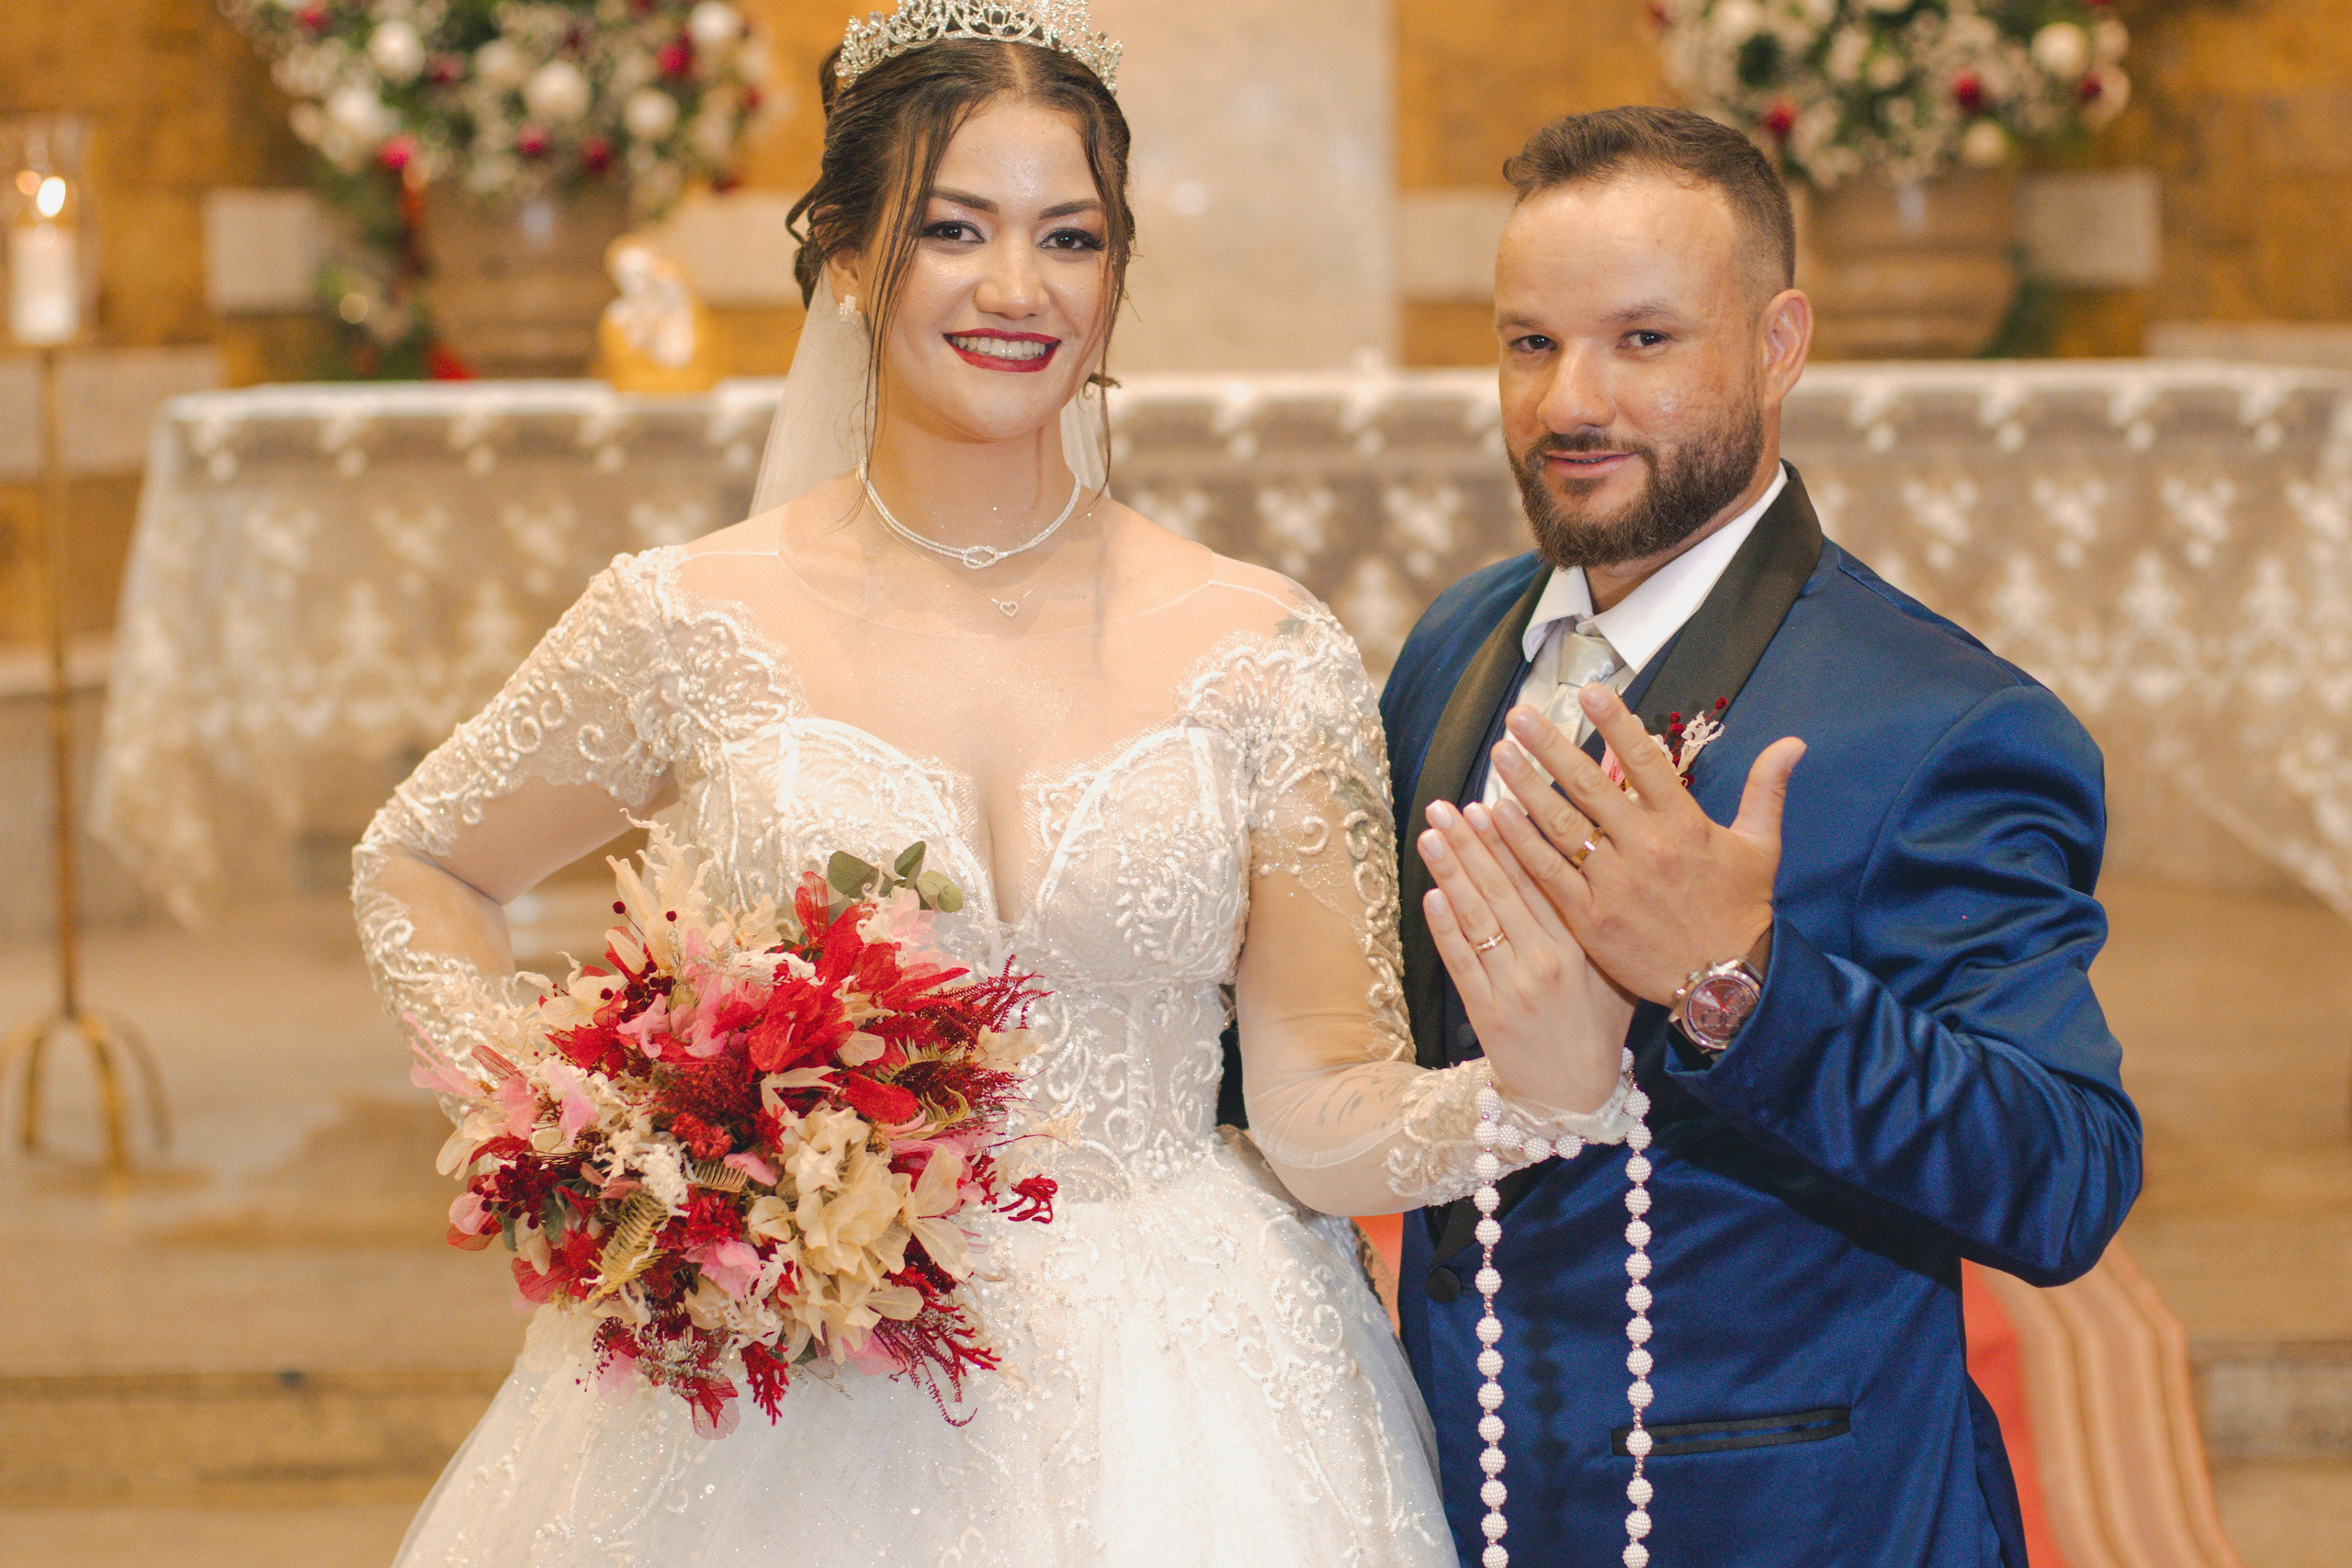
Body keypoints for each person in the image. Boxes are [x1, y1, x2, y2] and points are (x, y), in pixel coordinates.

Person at [353, 8, 1635, 1564]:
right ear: (842, 254)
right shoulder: (684, 623)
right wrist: (602, 1136)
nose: (1018, 289)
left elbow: (1310, 1113)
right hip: (789, 1395)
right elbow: (419, 861)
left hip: (1201, 1408)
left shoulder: (1261, 646)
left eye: (1071, 237)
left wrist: (1524, 1102)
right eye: (953, 229)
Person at [1380, 107, 2143, 1567]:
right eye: (1530, 343)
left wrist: (1740, 976)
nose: (1568, 401)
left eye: (1645, 341)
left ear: (1780, 343)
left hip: (1779, 1518)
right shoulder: (1458, 642)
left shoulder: (1941, 724)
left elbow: (2069, 1177)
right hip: (1455, 1490)